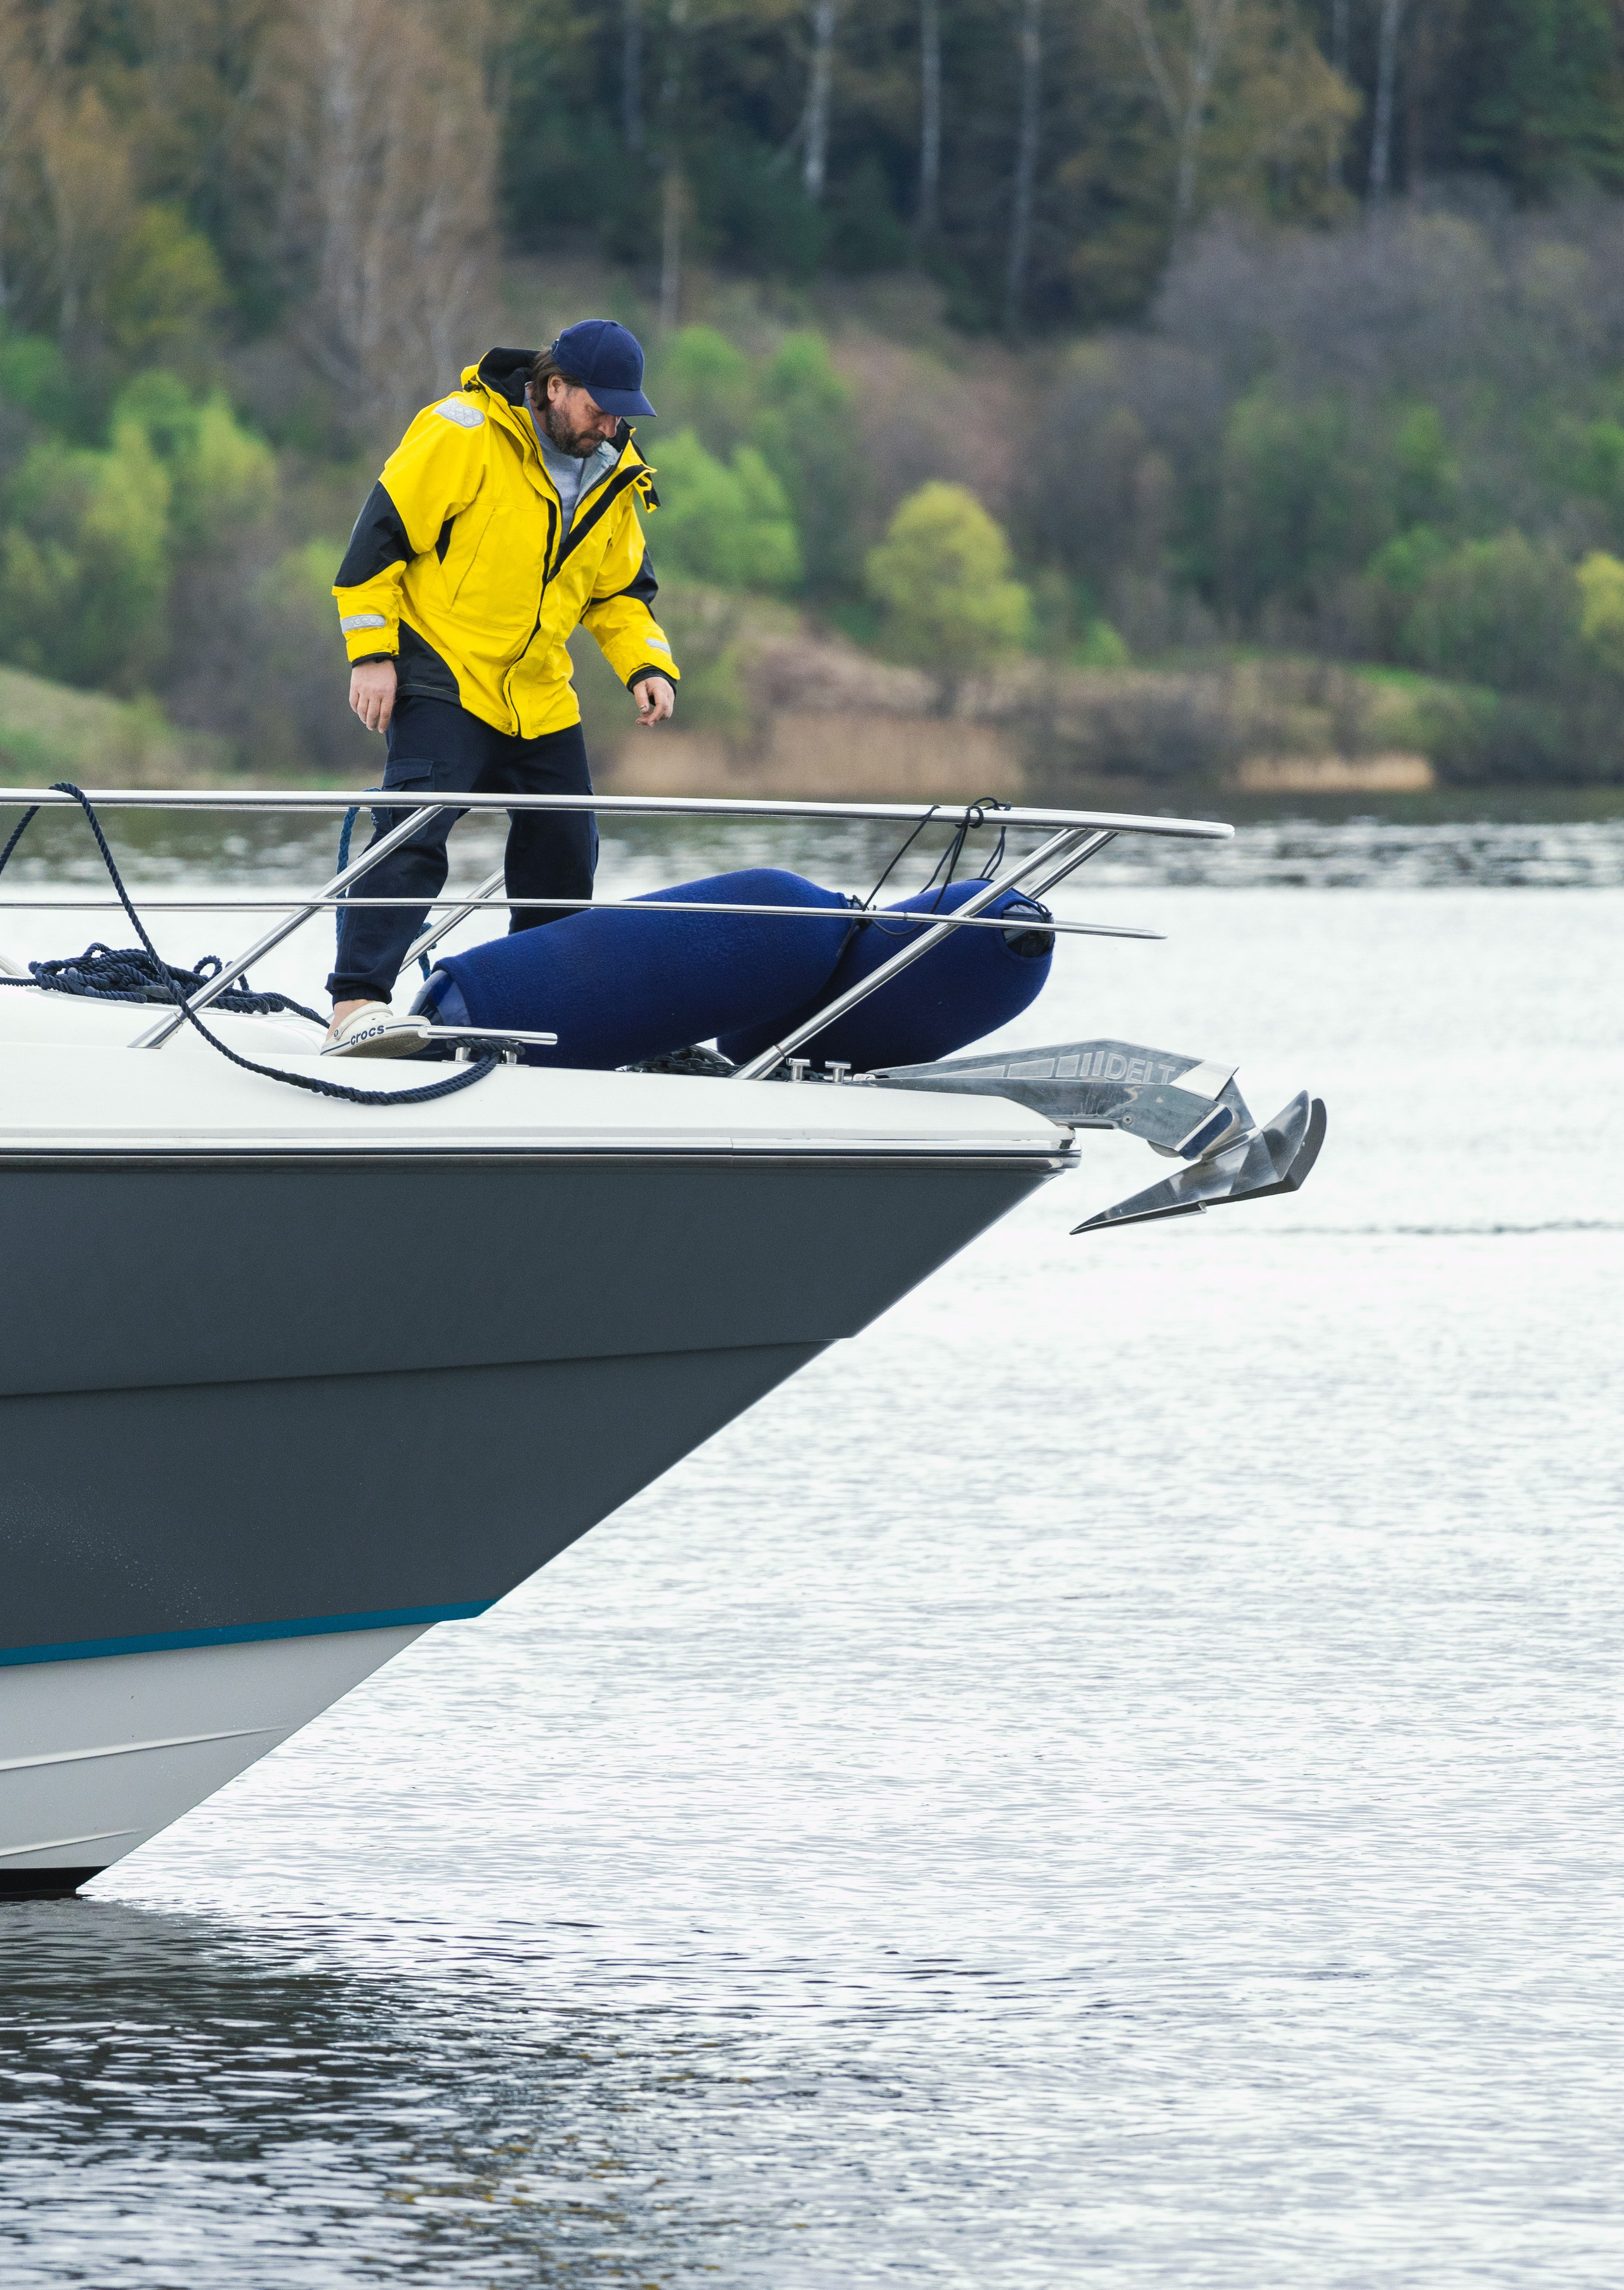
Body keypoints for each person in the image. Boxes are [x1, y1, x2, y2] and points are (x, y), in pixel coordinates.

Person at [324, 320, 679, 1054]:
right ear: (554, 388)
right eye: (598, 407)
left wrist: (646, 665)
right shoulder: (461, 431)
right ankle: (355, 1008)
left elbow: (619, 593)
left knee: (564, 850)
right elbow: (377, 540)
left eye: (621, 413)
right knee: (415, 834)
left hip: (541, 691)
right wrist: (371, 655)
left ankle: (541, 1011)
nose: (610, 424)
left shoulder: (617, 472)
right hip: (444, 670)